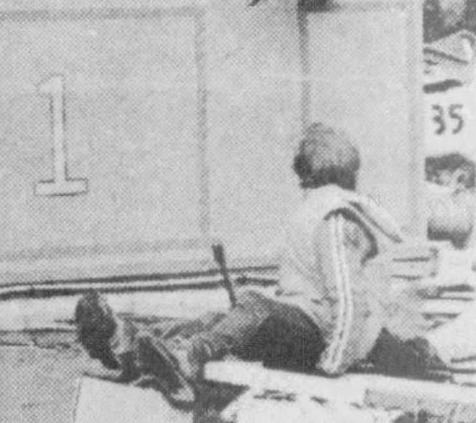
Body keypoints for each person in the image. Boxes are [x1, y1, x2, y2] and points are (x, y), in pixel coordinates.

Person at [75, 123, 476, 406]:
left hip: (333, 341)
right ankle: (128, 343)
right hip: (320, 330)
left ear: (309, 172)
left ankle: (183, 358)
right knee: (224, 317)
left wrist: (332, 365)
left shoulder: (336, 218)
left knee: (253, 308)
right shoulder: (327, 210)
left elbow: (350, 302)